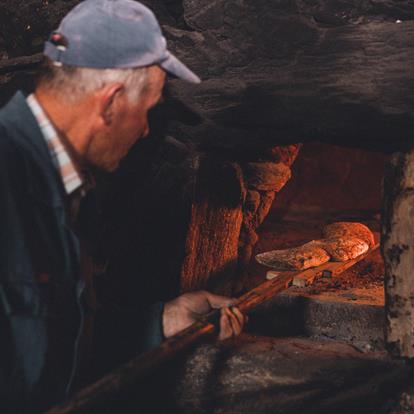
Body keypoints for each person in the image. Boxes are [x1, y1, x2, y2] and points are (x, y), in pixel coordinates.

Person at [0, 1, 246, 413]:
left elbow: (51, 341)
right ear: (110, 102)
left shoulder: (66, 185)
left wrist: (161, 321)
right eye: (148, 111)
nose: (148, 129)